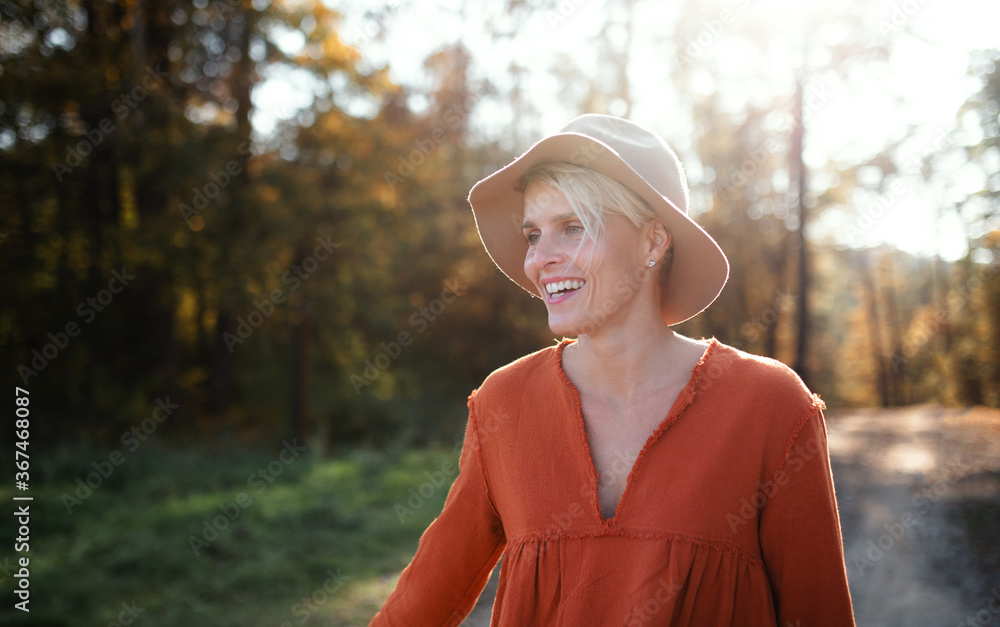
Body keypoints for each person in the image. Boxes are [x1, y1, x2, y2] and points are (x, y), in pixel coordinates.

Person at [370, 114, 855, 626]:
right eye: (534, 234)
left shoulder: (771, 405)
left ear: (652, 242)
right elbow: (423, 602)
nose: (540, 259)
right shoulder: (503, 403)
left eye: (574, 227)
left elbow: (818, 613)